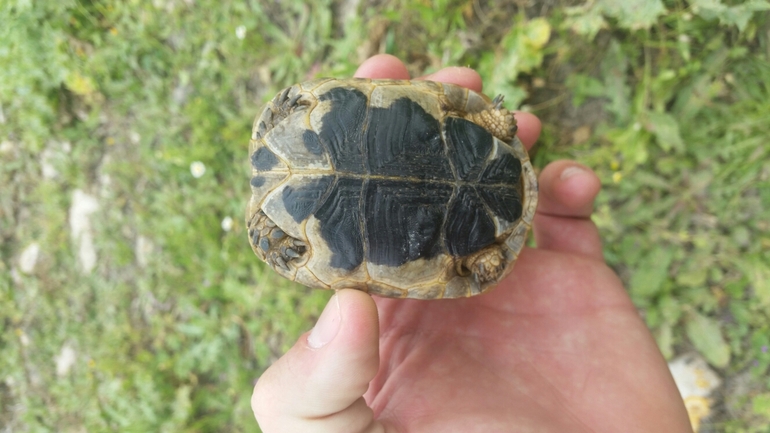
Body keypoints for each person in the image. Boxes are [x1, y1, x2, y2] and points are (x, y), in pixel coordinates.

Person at [251, 54, 693, 433]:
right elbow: (459, 105)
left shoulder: (486, 249)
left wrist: (485, 258)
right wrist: (492, 124)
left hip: (474, 226)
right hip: (475, 172)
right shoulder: (288, 119)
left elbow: (476, 114)